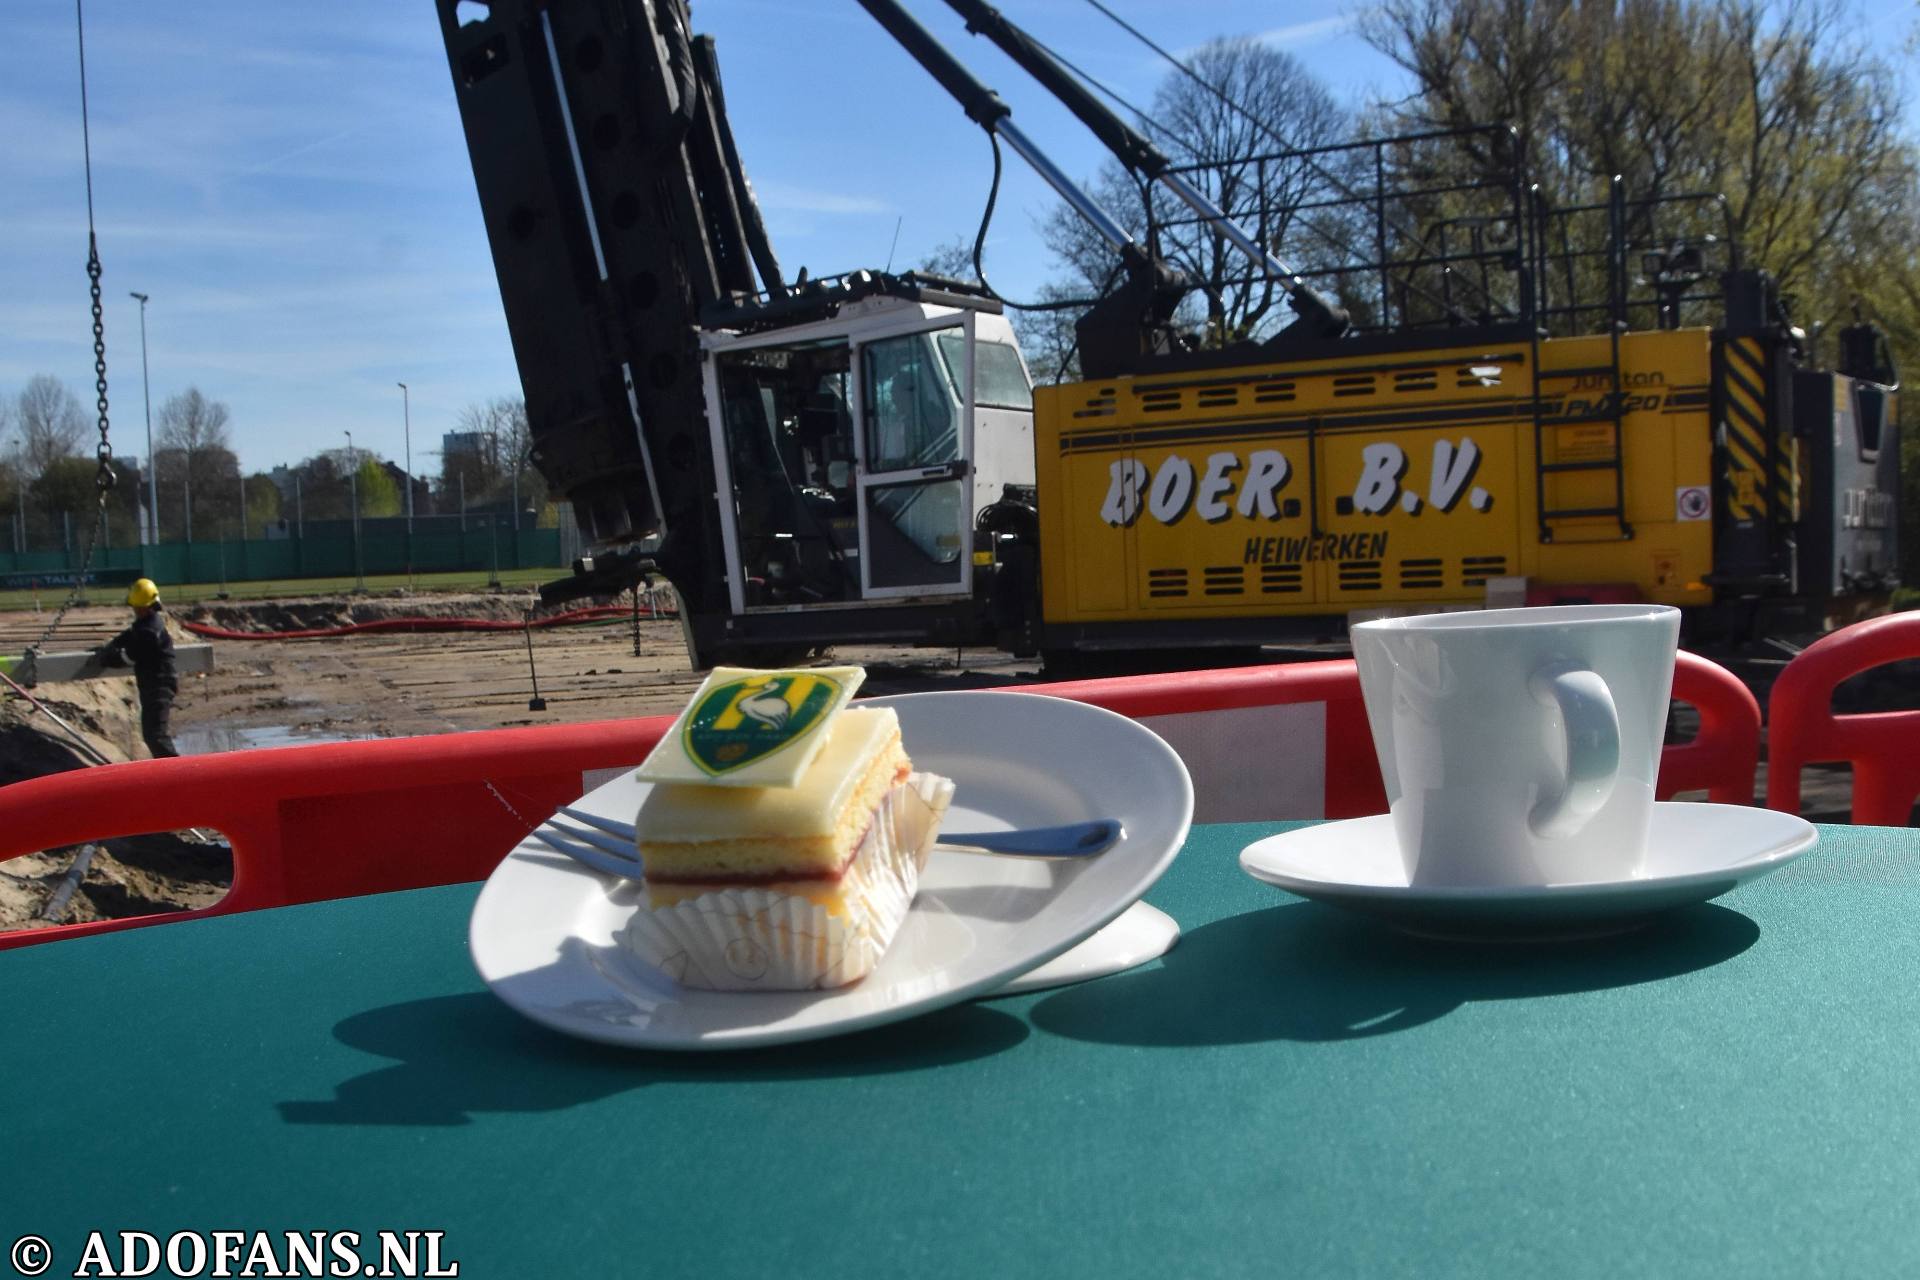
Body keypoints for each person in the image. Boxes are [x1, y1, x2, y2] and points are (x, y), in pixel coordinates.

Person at [97, 578, 179, 758]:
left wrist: (107, 658)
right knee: (153, 734)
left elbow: (128, 657)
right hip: (156, 683)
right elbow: (129, 636)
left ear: (144, 607)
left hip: (159, 685)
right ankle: (171, 771)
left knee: (155, 736)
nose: (134, 610)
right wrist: (112, 644)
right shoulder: (148, 623)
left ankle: (180, 773)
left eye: (136, 607)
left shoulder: (149, 633)